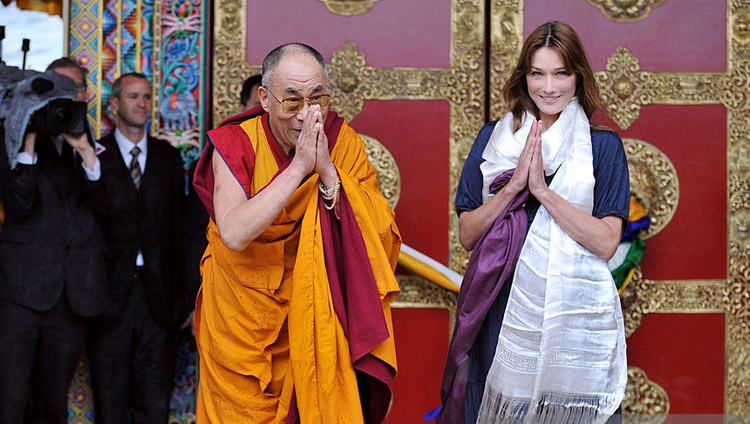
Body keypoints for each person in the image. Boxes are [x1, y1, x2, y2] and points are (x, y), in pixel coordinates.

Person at [192, 42, 401, 423]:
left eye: (317, 97)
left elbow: (379, 235)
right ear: (265, 99)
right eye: (292, 102)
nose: (308, 113)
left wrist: (327, 173)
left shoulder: (342, 145)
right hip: (239, 326)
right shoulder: (235, 142)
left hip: (313, 322)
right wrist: (299, 167)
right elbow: (235, 233)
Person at [438, 21, 630, 424]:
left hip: (570, 311)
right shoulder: (494, 140)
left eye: (561, 73)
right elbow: (468, 234)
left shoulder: (602, 146)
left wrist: (543, 192)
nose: (549, 87)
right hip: (501, 302)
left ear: (578, 76)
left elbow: (607, 242)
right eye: (537, 73)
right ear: (524, 78)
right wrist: (511, 190)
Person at [0, 57, 110, 423]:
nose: (63, 98)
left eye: (72, 90)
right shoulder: (16, 136)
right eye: (55, 89)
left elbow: (112, 209)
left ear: (84, 96)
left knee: (52, 405)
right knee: (9, 399)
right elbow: (18, 205)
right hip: (20, 296)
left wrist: (84, 149)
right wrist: (29, 131)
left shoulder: (87, 142)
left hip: (70, 300)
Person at [87, 72, 186, 424]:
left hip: (160, 303)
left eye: (146, 97)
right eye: (133, 97)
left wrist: (187, 300)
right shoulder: (93, 155)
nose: (142, 103)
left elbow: (181, 231)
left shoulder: (168, 158)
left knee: (154, 405)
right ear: (114, 105)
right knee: (110, 404)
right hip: (108, 300)